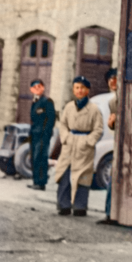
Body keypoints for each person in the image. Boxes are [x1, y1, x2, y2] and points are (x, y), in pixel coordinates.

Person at [53, 76, 104, 216]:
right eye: (77, 88)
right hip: (70, 144)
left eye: (82, 88)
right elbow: (62, 124)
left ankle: (80, 207)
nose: (79, 90)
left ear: (87, 90)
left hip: (84, 146)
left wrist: (88, 141)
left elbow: (98, 129)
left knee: (83, 176)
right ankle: (63, 205)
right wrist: (66, 137)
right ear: (73, 89)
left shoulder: (94, 109)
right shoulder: (69, 107)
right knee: (65, 174)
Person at [98, 67, 119, 224]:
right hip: (118, 144)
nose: (113, 81)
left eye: (116, 78)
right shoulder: (113, 102)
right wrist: (112, 124)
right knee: (114, 176)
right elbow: (113, 126)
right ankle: (110, 213)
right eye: (110, 79)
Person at [27, 79, 55, 191]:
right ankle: (35, 181)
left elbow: (51, 119)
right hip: (34, 134)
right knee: (34, 157)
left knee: (41, 157)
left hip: (43, 134)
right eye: (34, 87)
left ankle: (41, 183)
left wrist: (46, 133)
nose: (37, 89)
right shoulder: (34, 102)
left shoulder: (47, 101)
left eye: (39, 86)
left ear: (43, 88)